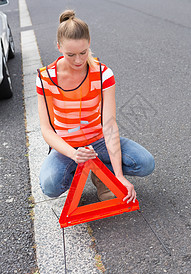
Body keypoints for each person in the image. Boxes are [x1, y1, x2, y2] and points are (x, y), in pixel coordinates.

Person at [36, 10, 155, 204]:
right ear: (58, 47)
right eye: (70, 54)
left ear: (89, 43)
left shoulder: (103, 74)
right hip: (67, 146)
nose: (78, 60)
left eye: (83, 52)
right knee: (50, 186)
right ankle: (82, 171)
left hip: (98, 141)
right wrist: (74, 154)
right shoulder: (45, 78)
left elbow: (109, 125)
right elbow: (47, 129)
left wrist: (119, 176)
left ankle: (102, 173)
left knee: (145, 163)